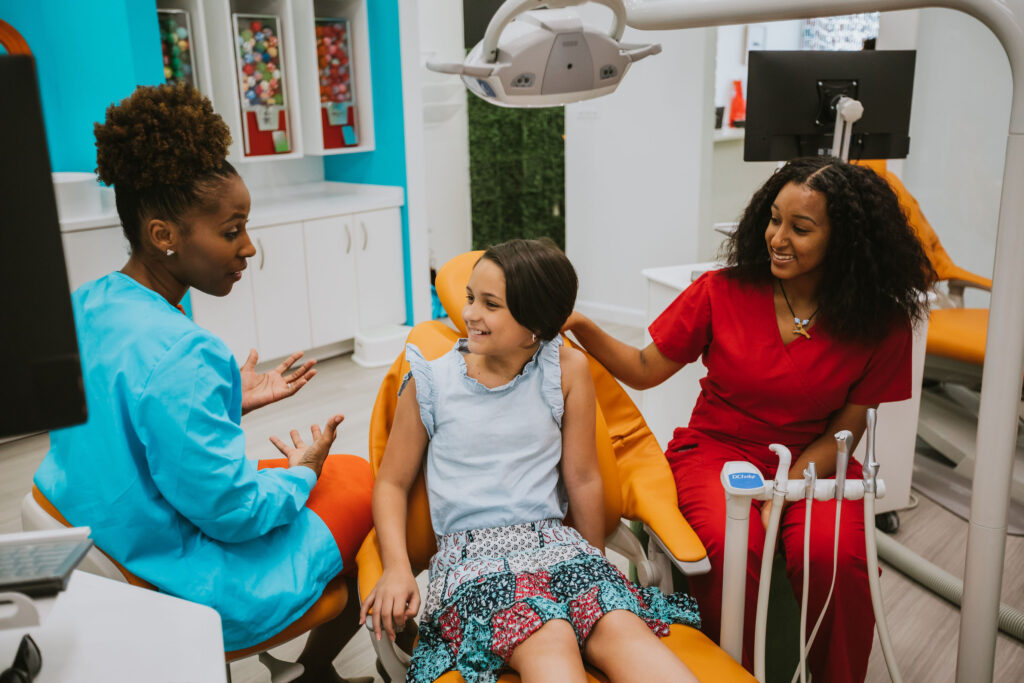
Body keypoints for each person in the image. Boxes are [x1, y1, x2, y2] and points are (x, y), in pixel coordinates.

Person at [33, 83, 373, 683]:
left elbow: (129, 420)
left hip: (95, 529)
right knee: (364, 485)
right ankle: (317, 670)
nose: (248, 247)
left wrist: (223, 402)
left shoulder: (87, 304)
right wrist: (303, 472)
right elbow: (234, 514)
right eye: (232, 229)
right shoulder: (185, 354)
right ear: (165, 235)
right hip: (171, 569)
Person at [563, 156, 934, 683]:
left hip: (818, 461)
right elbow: (645, 370)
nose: (777, 237)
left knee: (838, 562)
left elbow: (847, 430)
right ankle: (731, 675)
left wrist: (783, 492)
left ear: (845, 240)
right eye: (773, 219)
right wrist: (581, 324)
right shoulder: (722, 291)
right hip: (717, 449)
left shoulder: (879, 320)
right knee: (730, 551)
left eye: (800, 228)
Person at [359, 238, 702, 683]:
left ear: (535, 325)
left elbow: (582, 478)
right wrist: (397, 568)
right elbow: (390, 484)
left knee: (622, 630)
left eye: (491, 304)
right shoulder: (429, 379)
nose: (470, 314)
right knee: (550, 639)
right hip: (473, 560)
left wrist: (593, 569)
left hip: (558, 547)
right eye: (470, 298)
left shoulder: (566, 369)